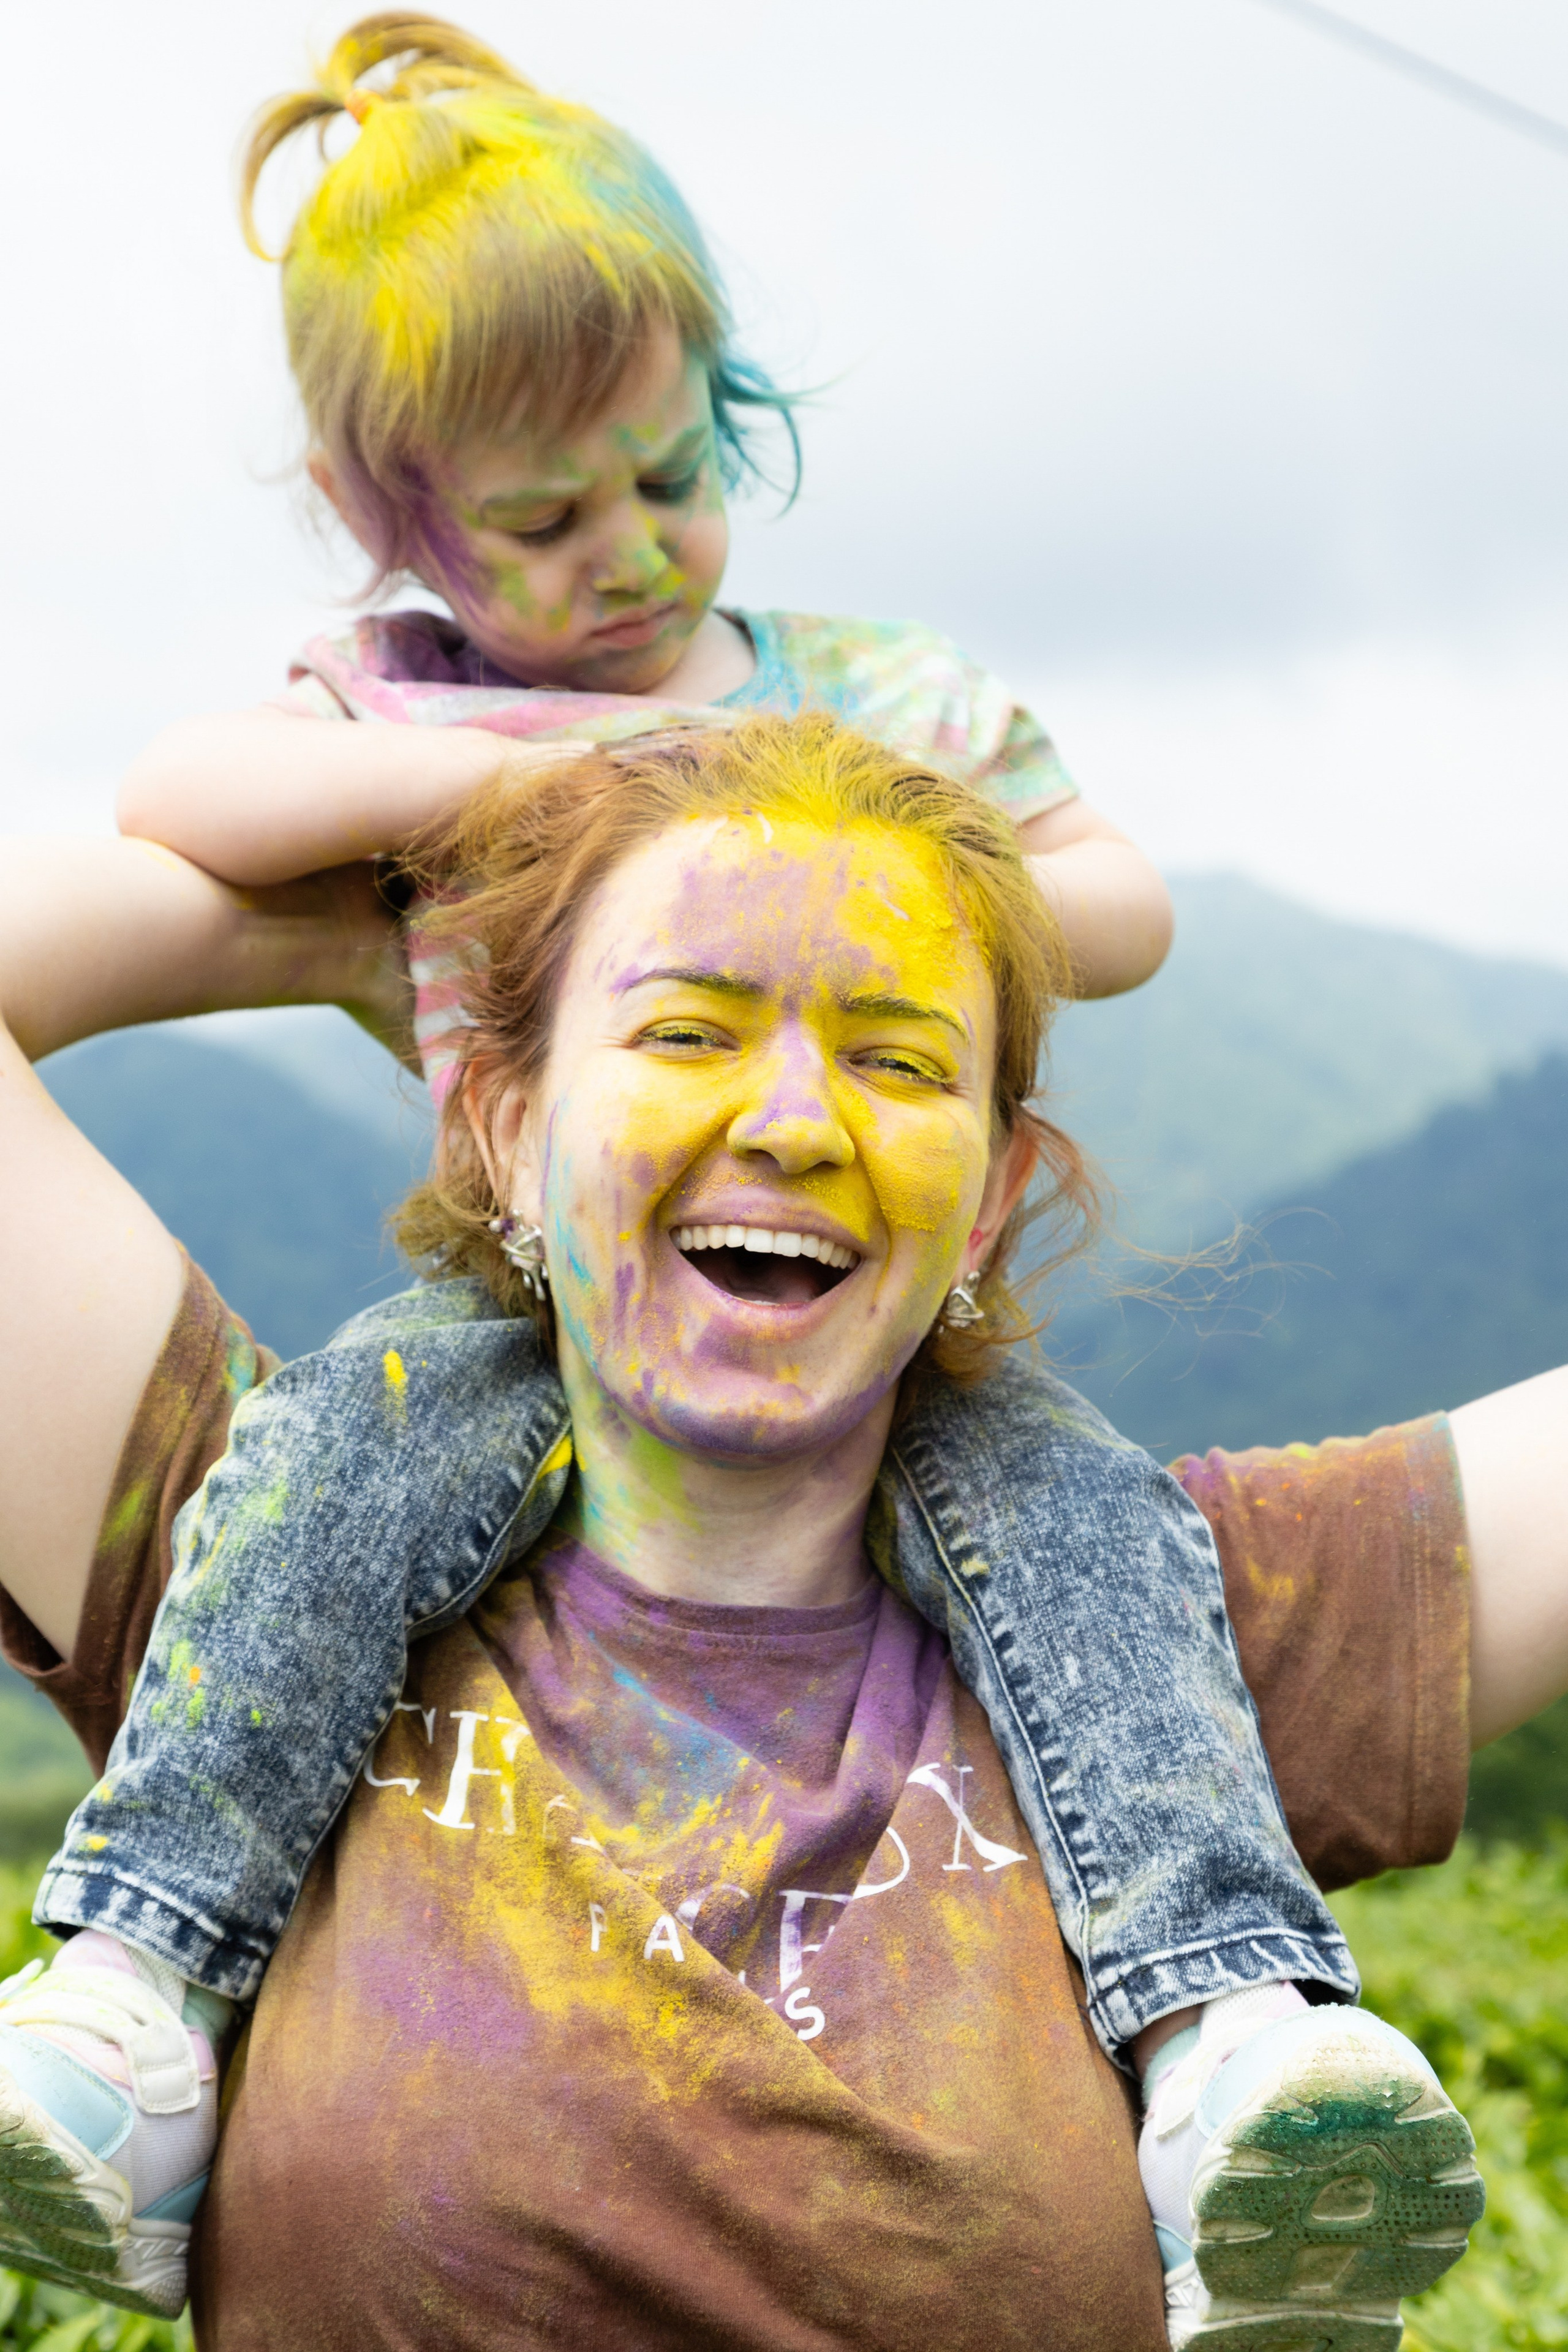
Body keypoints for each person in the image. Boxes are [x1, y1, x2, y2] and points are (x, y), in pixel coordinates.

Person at [0, 722, 1531, 2351]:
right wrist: (444, 887)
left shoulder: (1161, 1632)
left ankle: (1225, 2045)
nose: (798, 1124)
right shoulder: (263, 1563)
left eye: (900, 1061)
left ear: (992, 1197)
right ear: (508, 1130)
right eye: (683, 1029)